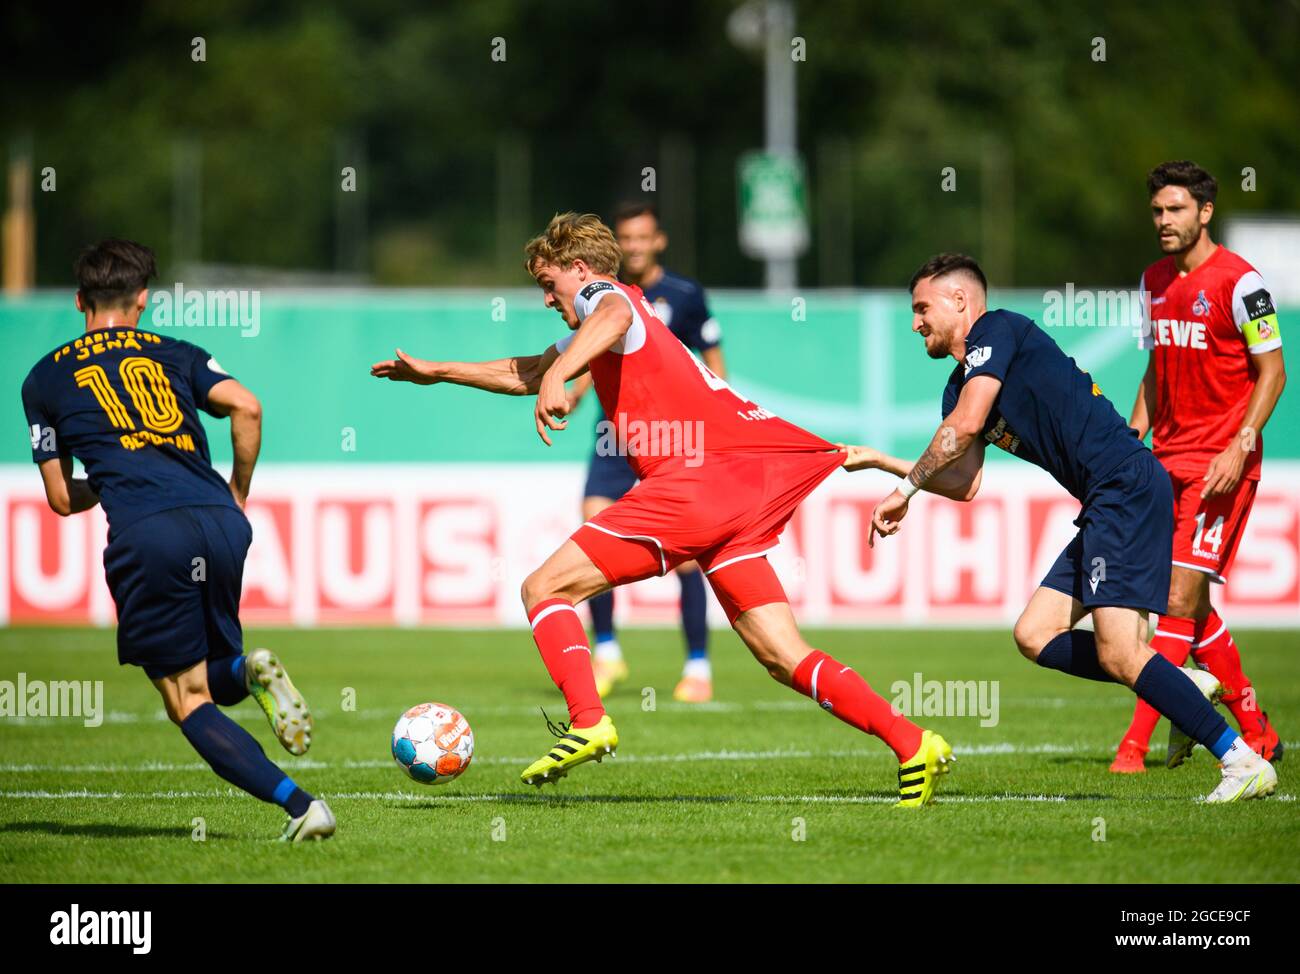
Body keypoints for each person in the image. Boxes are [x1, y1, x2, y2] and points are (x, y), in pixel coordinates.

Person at [371, 213, 954, 806]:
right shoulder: (599, 322)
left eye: (549, 284)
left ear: (580, 269)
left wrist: (564, 376)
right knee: (783, 656)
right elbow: (529, 371)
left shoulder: (610, 297)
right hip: (735, 492)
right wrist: (439, 372)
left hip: (692, 486)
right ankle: (913, 743)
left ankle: (589, 719)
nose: (546, 298)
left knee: (543, 590)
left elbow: (611, 315)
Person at [847, 252, 1276, 803]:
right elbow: (965, 483)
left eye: (921, 308)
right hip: (1105, 498)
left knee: (1122, 651)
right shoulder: (959, 388)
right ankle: (1182, 685)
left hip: (1123, 484)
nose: (915, 323)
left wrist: (903, 490)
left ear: (960, 301)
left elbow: (968, 426)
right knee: (1033, 635)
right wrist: (886, 463)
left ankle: (1240, 761)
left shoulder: (996, 329)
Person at [20, 239, 334, 841]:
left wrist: (112, 479)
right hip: (220, 521)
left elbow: (61, 500)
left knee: (185, 699)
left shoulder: (45, 379)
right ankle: (246, 670)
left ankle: (301, 808)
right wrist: (238, 495)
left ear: (80, 300)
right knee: (210, 673)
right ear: (143, 298)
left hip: (150, 532)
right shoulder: (178, 353)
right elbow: (247, 407)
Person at [1111, 161, 1286, 773]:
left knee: (1175, 599)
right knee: (1184, 602)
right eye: (1157, 210)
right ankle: (1254, 725)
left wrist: (1241, 442)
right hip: (1166, 463)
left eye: (1176, 209)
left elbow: (1274, 372)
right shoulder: (1152, 281)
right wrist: (1133, 440)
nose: (1163, 220)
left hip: (1221, 466)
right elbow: (1156, 373)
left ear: (1205, 212)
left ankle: (1133, 745)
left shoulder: (1242, 284)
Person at [565, 201, 725, 703]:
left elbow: (712, 362)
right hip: (615, 434)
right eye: (626, 238)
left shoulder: (685, 295)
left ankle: (697, 667)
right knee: (593, 526)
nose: (634, 246)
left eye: (642, 237)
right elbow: (601, 352)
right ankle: (608, 652)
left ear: (659, 240)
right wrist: (573, 390)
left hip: (673, 437)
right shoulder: (605, 293)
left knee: (685, 559)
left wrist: (716, 420)